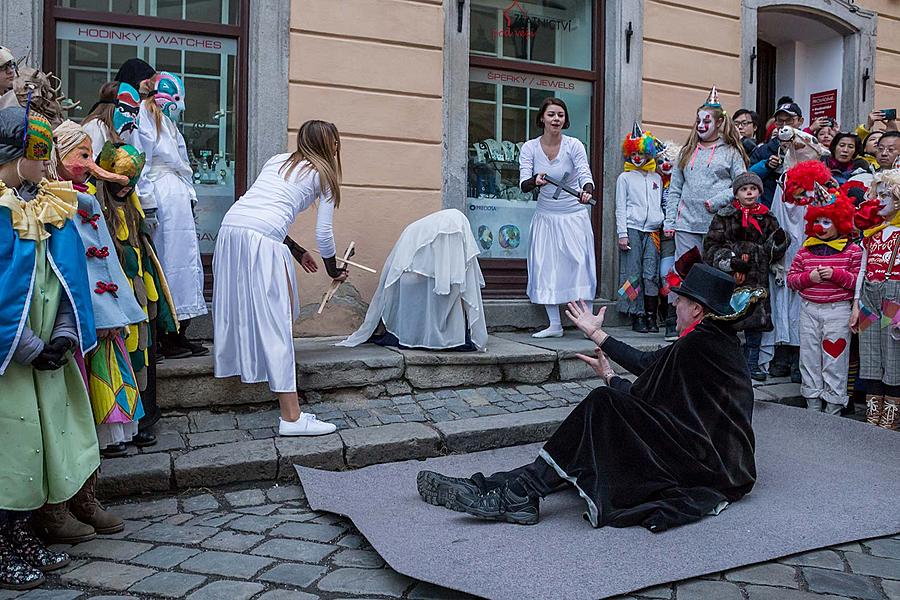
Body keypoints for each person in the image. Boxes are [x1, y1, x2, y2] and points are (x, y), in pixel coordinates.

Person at [417, 263, 756, 531]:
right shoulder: (712, 340)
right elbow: (660, 397)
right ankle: (492, 487)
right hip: (703, 451)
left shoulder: (703, 342)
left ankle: (516, 493)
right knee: (600, 422)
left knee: (603, 406)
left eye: (680, 300)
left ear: (696, 309)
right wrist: (610, 377)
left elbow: (647, 371)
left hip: (709, 466)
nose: (674, 303)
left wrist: (597, 337)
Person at [0, 106, 98, 589]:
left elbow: (63, 276)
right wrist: (28, 346)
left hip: (42, 357)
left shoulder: (43, 203)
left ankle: (19, 529)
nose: (47, 168)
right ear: (19, 155)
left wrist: (64, 332)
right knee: (9, 450)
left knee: (36, 446)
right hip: (10, 362)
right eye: (40, 157)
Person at [214, 120, 345, 437]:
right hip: (260, 238)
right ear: (330, 146)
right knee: (278, 323)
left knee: (247, 311)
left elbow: (263, 207)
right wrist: (332, 269)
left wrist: (297, 251)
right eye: (336, 142)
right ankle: (291, 417)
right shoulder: (324, 175)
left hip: (231, 230)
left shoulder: (278, 160)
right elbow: (324, 235)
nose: (338, 147)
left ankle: (283, 400)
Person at [96, 141, 178, 447]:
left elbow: (145, 249)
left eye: (130, 182)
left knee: (141, 355)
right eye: (119, 181)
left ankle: (142, 418)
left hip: (140, 293)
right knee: (117, 359)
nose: (124, 188)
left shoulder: (134, 204)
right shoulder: (97, 203)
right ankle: (115, 426)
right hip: (112, 296)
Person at [338, 209, 488, 351]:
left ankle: (438, 335)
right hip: (411, 282)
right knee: (440, 292)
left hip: (412, 282)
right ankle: (439, 336)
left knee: (445, 290)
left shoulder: (420, 235)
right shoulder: (421, 238)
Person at [134, 71, 208, 358]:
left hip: (176, 200)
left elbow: (182, 162)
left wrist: (189, 195)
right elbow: (143, 162)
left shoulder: (166, 122)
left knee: (184, 267)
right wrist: (148, 201)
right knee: (168, 264)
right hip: (163, 200)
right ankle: (166, 334)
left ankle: (180, 332)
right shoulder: (146, 118)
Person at [518, 97, 595, 338]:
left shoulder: (574, 145)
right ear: (542, 118)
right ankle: (554, 325)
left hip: (573, 215)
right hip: (546, 216)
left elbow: (584, 172)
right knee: (546, 267)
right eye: (551, 114)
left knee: (578, 266)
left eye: (560, 115)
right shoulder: (529, 148)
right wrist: (534, 181)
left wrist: (587, 190)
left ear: (565, 119)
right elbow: (523, 183)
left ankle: (588, 324)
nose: (556, 119)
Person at [704, 172, 788, 380]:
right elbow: (711, 246)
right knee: (727, 321)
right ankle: (727, 364)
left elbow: (773, 248)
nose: (749, 192)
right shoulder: (725, 215)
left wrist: (778, 243)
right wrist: (731, 261)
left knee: (755, 322)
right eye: (744, 189)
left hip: (757, 276)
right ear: (736, 193)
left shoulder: (767, 217)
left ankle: (752, 364)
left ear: (759, 192)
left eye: (753, 189)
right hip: (730, 277)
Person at [786, 186, 861, 415]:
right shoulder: (805, 251)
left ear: (840, 222)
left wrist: (836, 275)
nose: (820, 227)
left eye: (827, 222)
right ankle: (813, 406)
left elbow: (858, 283)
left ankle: (834, 409)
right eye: (817, 221)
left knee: (835, 360)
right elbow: (791, 280)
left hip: (838, 310)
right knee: (809, 358)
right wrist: (810, 277)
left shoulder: (853, 251)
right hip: (809, 309)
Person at [765, 161, 836, 382]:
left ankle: (799, 358)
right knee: (781, 306)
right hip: (785, 256)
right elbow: (781, 212)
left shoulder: (823, 189)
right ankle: (781, 354)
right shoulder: (784, 183)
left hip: (811, 252)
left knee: (802, 309)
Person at [851, 168, 900, 430]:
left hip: (895, 297)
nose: (879, 201)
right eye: (877, 194)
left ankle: (890, 415)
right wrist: (855, 305)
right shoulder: (872, 234)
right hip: (870, 295)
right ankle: (873, 411)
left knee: (893, 351)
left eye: (886, 196)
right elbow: (862, 270)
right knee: (870, 350)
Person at [614, 123, 663, 333]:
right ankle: (637, 315)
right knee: (632, 274)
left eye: (641, 153)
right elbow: (620, 207)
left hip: (652, 232)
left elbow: (662, 203)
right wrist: (622, 234)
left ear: (648, 154)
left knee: (650, 274)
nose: (637, 157)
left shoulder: (657, 178)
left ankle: (652, 315)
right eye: (634, 153)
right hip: (632, 229)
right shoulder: (624, 178)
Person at [749, 101, 806, 207]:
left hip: (801, 207)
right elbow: (748, 176)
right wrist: (766, 165)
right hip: (771, 207)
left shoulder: (809, 146)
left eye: (789, 120)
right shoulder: (763, 150)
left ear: (800, 121)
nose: (784, 125)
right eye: (780, 121)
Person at [81, 81, 141, 158]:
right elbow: (91, 161)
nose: (133, 117)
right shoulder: (95, 126)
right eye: (130, 110)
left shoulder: (119, 131)